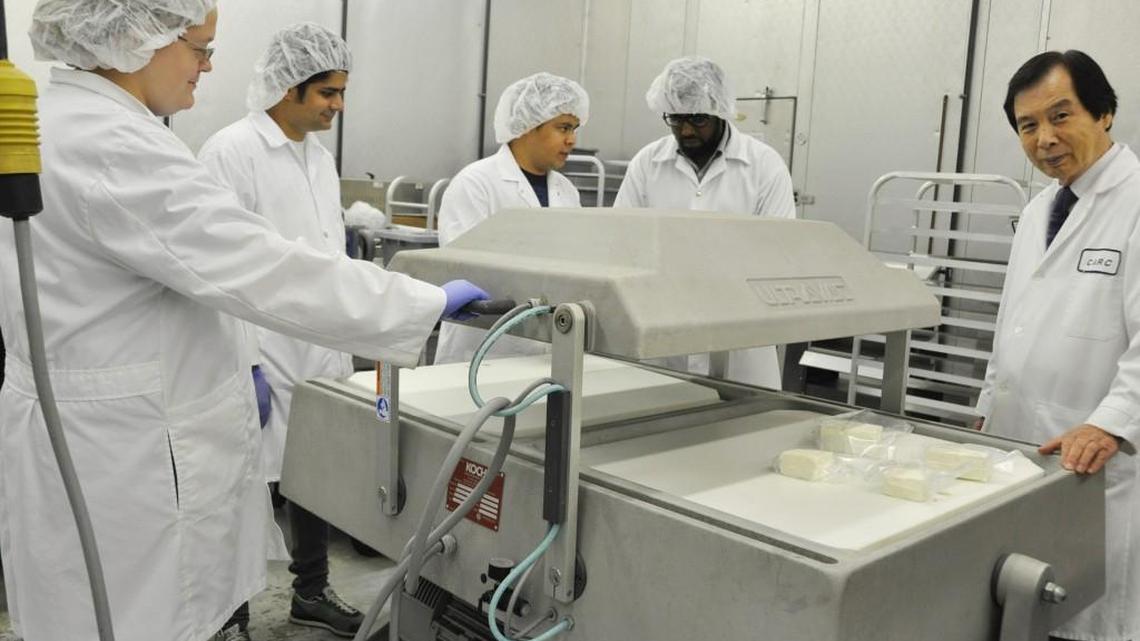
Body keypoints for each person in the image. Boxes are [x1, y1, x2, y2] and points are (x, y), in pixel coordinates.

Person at [0, 3, 489, 641]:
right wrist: (416, 303)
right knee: (136, 615)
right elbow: (260, 264)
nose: (208, 66)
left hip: (103, 424)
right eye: (199, 48)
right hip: (127, 446)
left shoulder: (68, 120)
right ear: (131, 40)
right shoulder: (112, 144)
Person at [197, 23, 365, 640]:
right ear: (288, 87)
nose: (337, 106)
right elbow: (214, 265)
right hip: (257, 349)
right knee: (241, 487)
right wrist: (244, 360)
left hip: (317, 347)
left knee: (314, 476)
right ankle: (231, 615)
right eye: (327, 93)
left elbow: (327, 257)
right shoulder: (230, 152)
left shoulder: (318, 160)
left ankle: (311, 593)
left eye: (341, 92)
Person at [976, 50, 1140, 641]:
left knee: (1088, 616)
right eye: (1027, 125)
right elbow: (1014, 321)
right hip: (1022, 445)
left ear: (1104, 113)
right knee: (1024, 611)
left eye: (1060, 115)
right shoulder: (1040, 208)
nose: (1044, 138)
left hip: (1098, 460)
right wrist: (988, 401)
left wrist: (1112, 424)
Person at [614, 56, 796, 389]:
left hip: (741, 343)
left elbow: (779, 253)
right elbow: (622, 241)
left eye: (697, 119)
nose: (685, 130)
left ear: (719, 112)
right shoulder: (647, 163)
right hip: (662, 336)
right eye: (676, 118)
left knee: (744, 434)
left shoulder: (764, 165)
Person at [433, 72, 589, 364]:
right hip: (483, 347)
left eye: (575, 128)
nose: (572, 140)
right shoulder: (475, 183)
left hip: (548, 347)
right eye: (563, 128)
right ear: (528, 125)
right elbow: (465, 268)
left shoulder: (566, 191)